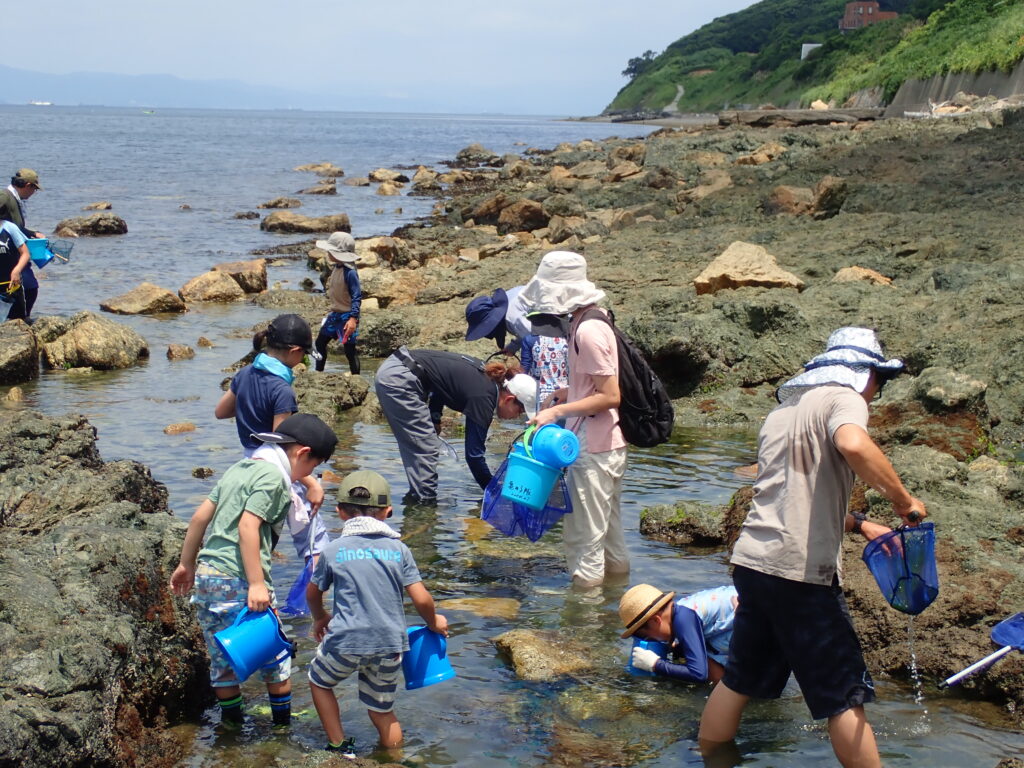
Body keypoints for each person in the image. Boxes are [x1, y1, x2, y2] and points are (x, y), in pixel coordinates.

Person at [698, 327, 928, 768]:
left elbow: (789, 496)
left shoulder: (781, 414)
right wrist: (904, 502)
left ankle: (711, 759)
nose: (876, 394)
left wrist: (860, 524)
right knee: (844, 694)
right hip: (800, 575)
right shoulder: (846, 399)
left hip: (752, 562)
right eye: (879, 381)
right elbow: (853, 443)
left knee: (740, 679)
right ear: (863, 374)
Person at [170, 413, 339, 727]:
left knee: (222, 657)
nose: (309, 475)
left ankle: (232, 727)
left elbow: (199, 517)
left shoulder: (240, 468)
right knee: (274, 655)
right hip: (240, 579)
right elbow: (249, 526)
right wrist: (257, 583)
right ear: (302, 453)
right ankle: (281, 728)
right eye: (313, 467)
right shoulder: (273, 479)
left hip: (209, 577)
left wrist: (186, 565)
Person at [306, 470, 448, 757]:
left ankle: (339, 745)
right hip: (390, 645)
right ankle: (393, 758)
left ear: (340, 512)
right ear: (388, 511)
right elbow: (421, 598)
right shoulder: (399, 550)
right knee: (381, 709)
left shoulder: (333, 550)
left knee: (319, 682)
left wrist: (320, 617)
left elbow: (312, 593)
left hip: (346, 640)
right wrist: (434, 623)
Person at [523, 251, 627, 587]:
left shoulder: (587, 331)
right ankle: (617, 604)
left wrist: (556, 411)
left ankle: (585, 626)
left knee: (583, 542)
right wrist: (570, 392)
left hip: (594, 447)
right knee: (610, 537)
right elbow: (598, 385)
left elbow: (611, 395)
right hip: (608, 442)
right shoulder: (594, 318)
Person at [214, 313, 330, 565]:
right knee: (314, 542)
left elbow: (220, 412)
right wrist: (312, 484)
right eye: (303, 356)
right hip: (278, 470)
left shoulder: (245, 374)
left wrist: (249, 402)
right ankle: (314, 597)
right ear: (295, 351)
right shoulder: (281, 389)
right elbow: (284, 446)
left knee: (257, 533)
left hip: (248, 463)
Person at [374, 348, 538, 505]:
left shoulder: (488, 381)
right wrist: (496, 493)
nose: (518, 416)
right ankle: (424, 509)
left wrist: (435, 418)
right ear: (509, 399)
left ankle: (419, 498)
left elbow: (441, 384)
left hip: (399, 367)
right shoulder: (483, 398)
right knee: (426, 448)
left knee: (423, 444)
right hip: (399, 379)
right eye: (521, 410)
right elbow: (474, 456)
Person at [619, 583, 738, 684]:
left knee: (718, 678)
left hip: (751, 622)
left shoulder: (684, 618)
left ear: (656, 620)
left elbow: (698, 673)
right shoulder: (680, 609)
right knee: (686, 652)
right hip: (739, 616)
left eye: (647, 637)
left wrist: (655, 664)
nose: (653, 641)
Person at [313, 231, 362, 375]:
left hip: (347, 317)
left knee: (349, 350)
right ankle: (318, 372)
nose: (328, 253)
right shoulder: (336, 268)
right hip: (335, 315)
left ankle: (356, 378)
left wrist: (353, 318)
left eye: (330, 250)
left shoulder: (350, 272)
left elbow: (357, 296)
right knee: (320, 343)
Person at [0, 169, 44, 323]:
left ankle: (17, 319)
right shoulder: (5, 196)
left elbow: (16, 226)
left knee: (27, 287)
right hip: (8, 251)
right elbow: (9, 226)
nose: (34, 192)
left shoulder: (16, 198)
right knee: (28, 287)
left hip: (14, 246)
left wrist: (32, 233)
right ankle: (18, 320)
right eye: (34, 189)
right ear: (27, 185)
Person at [464, 286, 533, 356]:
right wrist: (513, 346)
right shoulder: (507, 298)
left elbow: (540, 339)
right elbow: (528, 332)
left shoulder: (512, 318)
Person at [519, 332, 569, 404]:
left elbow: (524, 370)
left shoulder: (529, 339)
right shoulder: (566, 339)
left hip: (539, 395)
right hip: (563, 395)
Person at [0, 220, 30, 320]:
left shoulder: (9, 227)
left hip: (11, 285)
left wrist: (17, 270)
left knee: (17, 325)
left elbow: (25, 253)